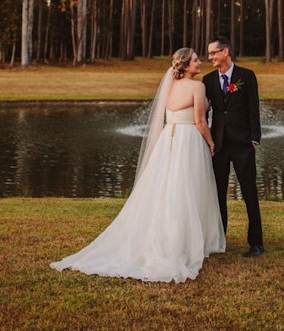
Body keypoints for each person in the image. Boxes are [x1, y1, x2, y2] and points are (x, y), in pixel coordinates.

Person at [50, 48, 225, 283]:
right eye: (195, 60)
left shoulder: (169, 84)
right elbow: (200, 121)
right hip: (188, 140)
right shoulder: (197, 87)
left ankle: (168, 238)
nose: (200, 62)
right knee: (188, 190)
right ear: (184, 65)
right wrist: (211, 143)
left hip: (168, 140)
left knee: (165, 191)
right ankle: (185, 242)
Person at [203, 36, 264, 257]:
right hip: (218, 146)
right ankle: (220, 240)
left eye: (213, 53)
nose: (210, 57)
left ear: (225, 52)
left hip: (243, 144)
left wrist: (255, 138)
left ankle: (256, 242)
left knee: (249, 193)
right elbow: (204, 112)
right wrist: (206, 140)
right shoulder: (208, 80)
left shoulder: (246, 76)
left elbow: (253, 108)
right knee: (218, 194)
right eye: (209, 54)